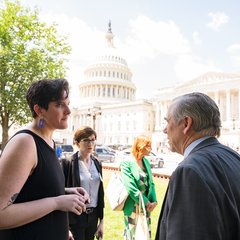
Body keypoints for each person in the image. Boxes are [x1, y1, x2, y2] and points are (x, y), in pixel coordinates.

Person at [0, 78, 89, 240]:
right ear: (39, 110)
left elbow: (32, 191)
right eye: (60, 105)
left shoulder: (49, 142)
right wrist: (57, 202)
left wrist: (65, 193)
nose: (68, 111)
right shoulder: (25, 143)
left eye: (68, 103)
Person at [155, 92, 240, 240]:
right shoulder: (233, 157)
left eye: (168, 121)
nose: (164, 129)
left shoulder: (189, 171)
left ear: (186, 123)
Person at [61, 126, 104, 240]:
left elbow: (100, 193)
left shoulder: (97, 163)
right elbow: (61, 192)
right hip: (75, 217)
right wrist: (66, 227)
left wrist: (102, 221)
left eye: (93, 140)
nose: (90, 143)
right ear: (77, 142)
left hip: (93, 216)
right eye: (86, 140)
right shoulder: (68, 163)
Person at [120, 135, 157, 239]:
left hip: (146, 207)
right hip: (133, 206)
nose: (151, 149)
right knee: (132, 235)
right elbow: (131, 188)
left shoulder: (146, 161)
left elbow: (151, 183)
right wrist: (146, 202)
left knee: (145, 234)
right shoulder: (127, 163)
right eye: (148, 146)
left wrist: (154, 201)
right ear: (141, 146)